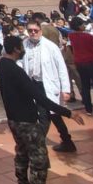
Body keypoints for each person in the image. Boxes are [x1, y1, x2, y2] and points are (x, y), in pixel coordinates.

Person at [0, 35, 83, 184]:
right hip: (26, 120)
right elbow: (39, 97)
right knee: (39, 160)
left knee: (22, 154)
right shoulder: (15, 70)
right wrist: (67, 113)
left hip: (13, 119)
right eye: (21, 47)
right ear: (16, 49)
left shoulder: (1, 65)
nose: (23, 50)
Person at [21, 20, 76, 153]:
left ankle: (38, 145)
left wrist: (66, 89)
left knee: (45, 116)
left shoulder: (51, 47)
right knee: (53, 115)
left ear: (40, 31)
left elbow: (61, 68)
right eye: (30, 30)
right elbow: (21, 62)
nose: (33, 33)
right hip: (33, 84)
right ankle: (67, 142)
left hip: (48, 85)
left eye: (35, 30)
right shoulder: (24, 45)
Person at [67, 18, 93, 118]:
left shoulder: (71, 36)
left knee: (85, 86)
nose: (84, 26)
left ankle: (88, 109)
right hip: (92, 62)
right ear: (79, 26)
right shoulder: (88, 36)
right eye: (82, 24)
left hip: (80, 63)